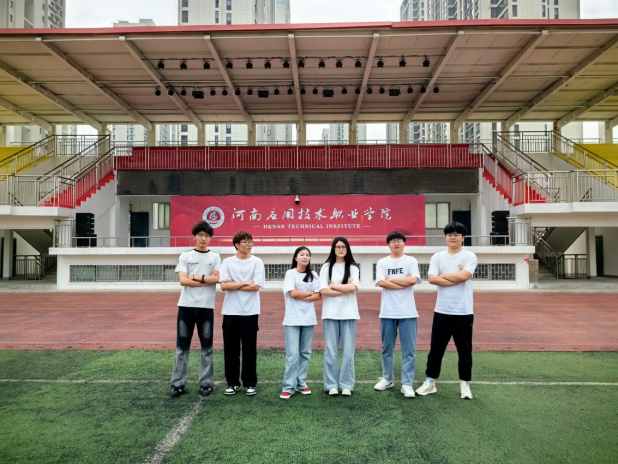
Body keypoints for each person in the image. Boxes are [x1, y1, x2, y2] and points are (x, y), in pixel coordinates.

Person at [416, 222, 478, 400]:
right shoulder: (437, 257)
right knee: (436, 349)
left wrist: (443, 276)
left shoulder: (469, 256)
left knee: (464, 350)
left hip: (463, 311)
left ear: (463, 238)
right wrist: (455, 278)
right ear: (445, 237)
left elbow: (464, 276)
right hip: (442, 310)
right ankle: (430, 381)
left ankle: (465, 383)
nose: (453, 237)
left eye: (457, 234)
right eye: (450, 234)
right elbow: (432, 279)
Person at [170, 221, 221, 398]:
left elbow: (216, 280)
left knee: (207, 347)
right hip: (186, 306)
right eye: (200, 235)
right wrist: (205, 280)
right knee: (181, 347)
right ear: (194, 236)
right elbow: (183, 281)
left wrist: (193, 277)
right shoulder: (186, 256)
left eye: (207, 235)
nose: (203, 238)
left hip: (206, 307)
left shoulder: (215, 256)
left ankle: (206, 383)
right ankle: (178, 384)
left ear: (210, 238)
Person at [373, 231, 421, 398]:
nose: (396, 243)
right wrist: (404, 281)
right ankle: (388, 378)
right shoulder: (382, 262)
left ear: (404, 243)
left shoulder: (411, 260)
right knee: (387, 348)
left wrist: (390, 281)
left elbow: (413, 280)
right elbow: (381, 283)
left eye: (399, 240)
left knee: (409, 350)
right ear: (388, 244)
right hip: (387, 312)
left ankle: (407, 384)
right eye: (393, 241)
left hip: (408, 312)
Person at [219, 231, 265, 396]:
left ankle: (250, 383)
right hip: (230, 311)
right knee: (230, 349)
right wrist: (247, 282)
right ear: (237, 244)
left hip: (250, 311)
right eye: (246, 242)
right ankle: (232, 383)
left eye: (251, 241)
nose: (249, 245)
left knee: (249, 349)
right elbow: (224, 286)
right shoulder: (227, 262)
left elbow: (256, 287)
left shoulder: (257, 262)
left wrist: (235, 284)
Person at [319, 237, 360, 397]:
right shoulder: (326, 267)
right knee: (330, 351)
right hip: (330, 313)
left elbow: (353, 288)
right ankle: (331, 385)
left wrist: (333, 286)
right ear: (333, 249)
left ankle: (347, 385)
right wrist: (344, 288)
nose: (341, 249)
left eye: (343, 246)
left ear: (347, 249)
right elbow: (323, 290)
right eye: (338, 247)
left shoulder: (353, 267)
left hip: (348, 313)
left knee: (348, 352)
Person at [280, 247, 322, 400]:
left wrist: (303, 294)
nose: (305, 257)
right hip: (292, 319)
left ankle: (301, 383)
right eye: (302, 254)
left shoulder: (314, 275)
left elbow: (319, 295)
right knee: (293, 354)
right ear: (296, 258)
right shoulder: (290, 274)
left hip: (308, 319)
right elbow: (292, 293)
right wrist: (310, 293)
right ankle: (288, 387)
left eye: (307, 255)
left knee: (305, 353)